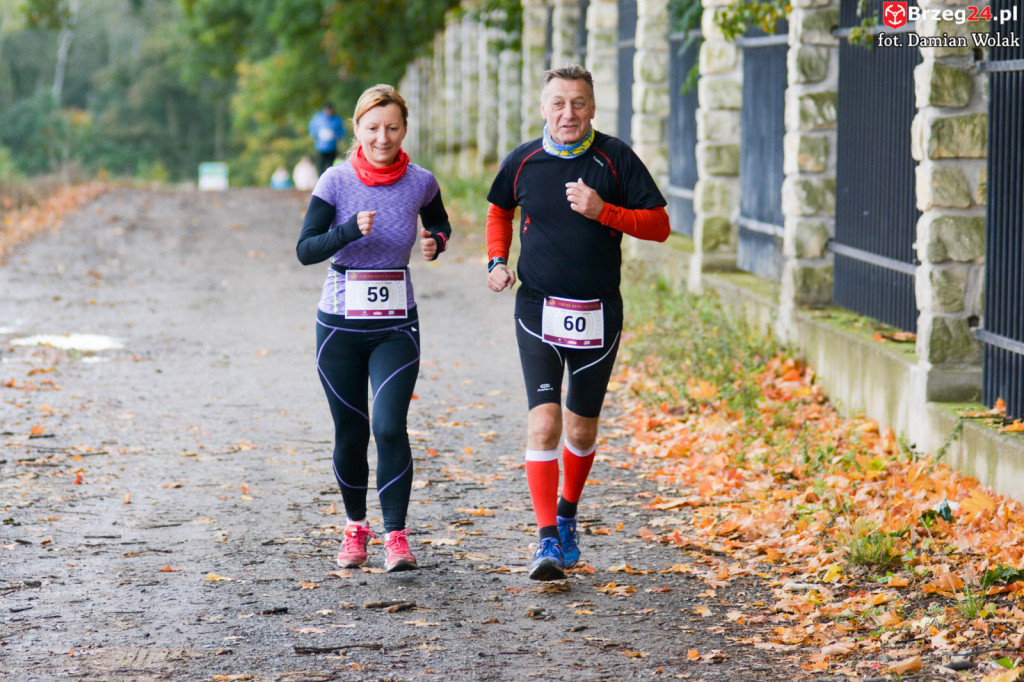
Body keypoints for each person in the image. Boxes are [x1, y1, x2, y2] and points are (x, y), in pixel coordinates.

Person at [485, 65, 670, 581]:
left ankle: (567, 514)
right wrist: (497, 261)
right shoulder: (523, 161)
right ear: (543, 108)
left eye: (579, 103)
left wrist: (604, 211)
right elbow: (499, 210)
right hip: (537, 309)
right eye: (559, 103)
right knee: (544, 422)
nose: (569, 113)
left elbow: (659, 226)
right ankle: (546, 539)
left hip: (598, 313)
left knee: (581, 427)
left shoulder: (616, 159)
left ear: (592, 108)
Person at [296, 84, 451, 572]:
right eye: (372, 128)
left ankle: (397, 538)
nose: (382, 137)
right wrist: (347, 231)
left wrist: (436, 243)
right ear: (357, 129)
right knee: (350, 429)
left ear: (404, 129)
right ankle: (355, 530)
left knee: (388, 426)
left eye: (392, 128)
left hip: (395, 326)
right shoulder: (336, 182)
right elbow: (306, 249)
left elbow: (440, 223)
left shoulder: (421, 181)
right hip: (340, 323)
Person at [309, 103, 346, 177]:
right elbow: (312, 126)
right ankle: (320, 179)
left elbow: (341, 130)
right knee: (320, 165)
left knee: (330, 165)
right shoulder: (318, 117)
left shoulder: (336, 119)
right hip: (321, 147)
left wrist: (339, 136)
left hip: (332, 147)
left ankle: (329, 179)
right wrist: (313, 134)